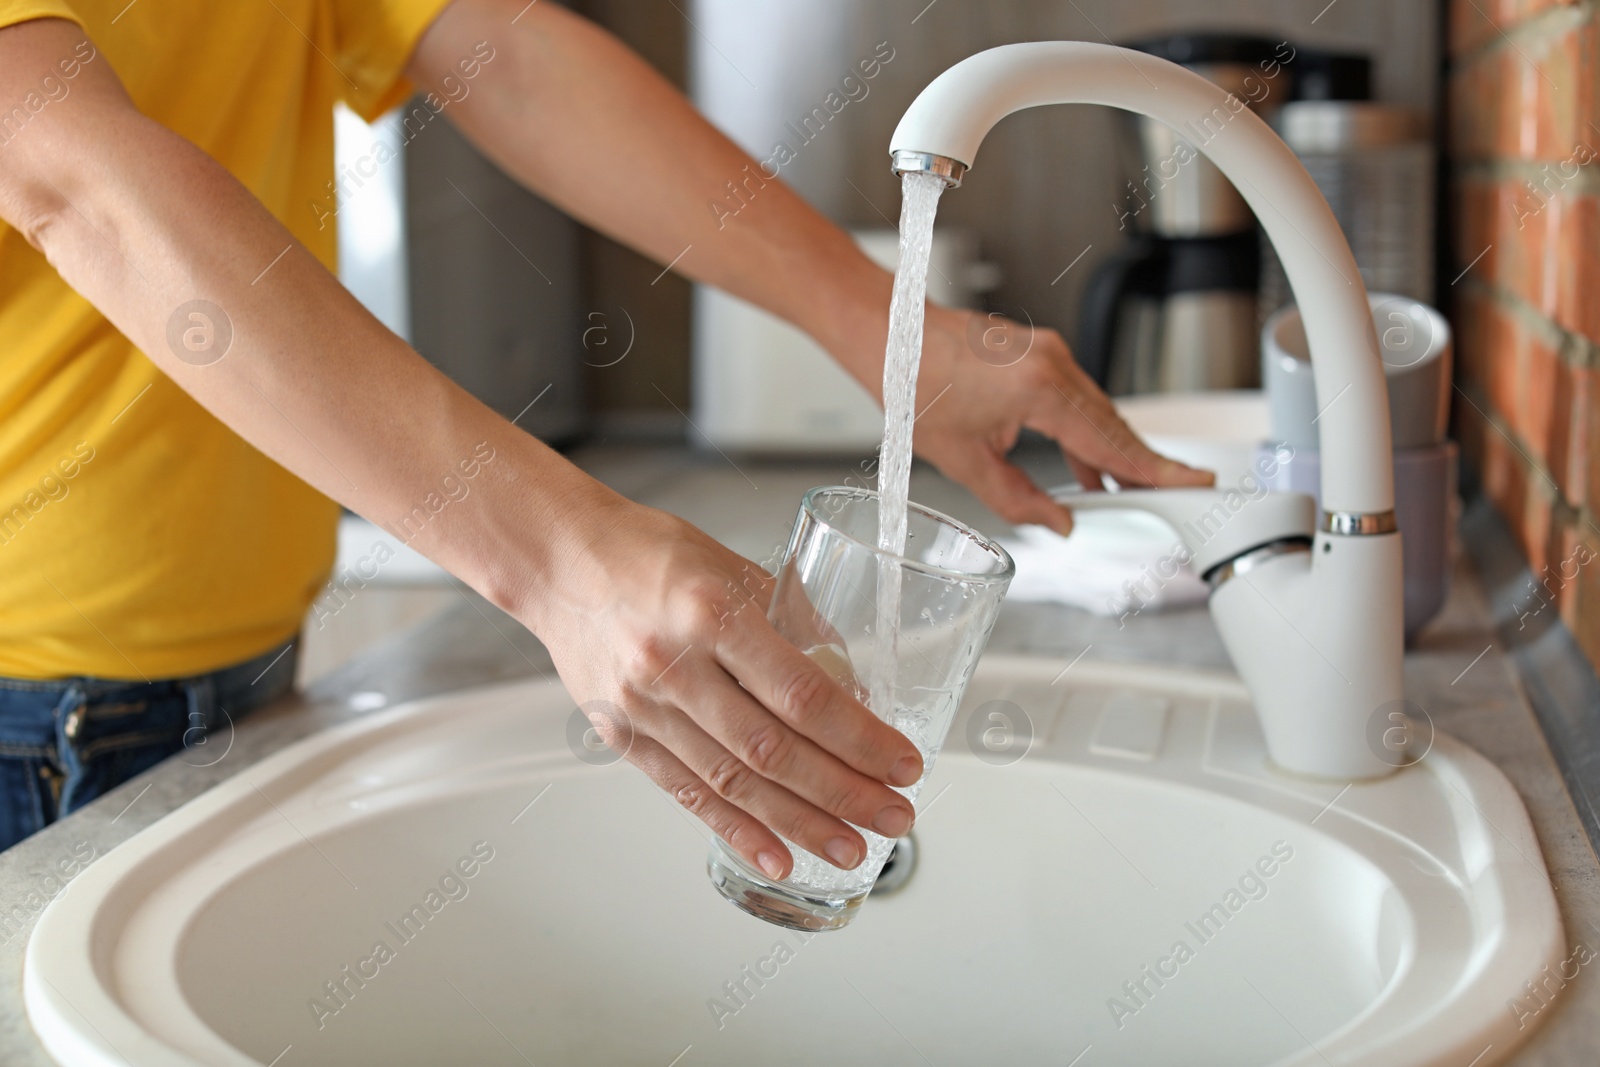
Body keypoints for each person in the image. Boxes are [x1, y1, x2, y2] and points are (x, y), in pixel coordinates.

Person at [0, 0, 1210, 866]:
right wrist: (562, 557)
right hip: (27, 707)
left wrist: (894, 335)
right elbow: (66, 173)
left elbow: (502, 49)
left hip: (231, 665)